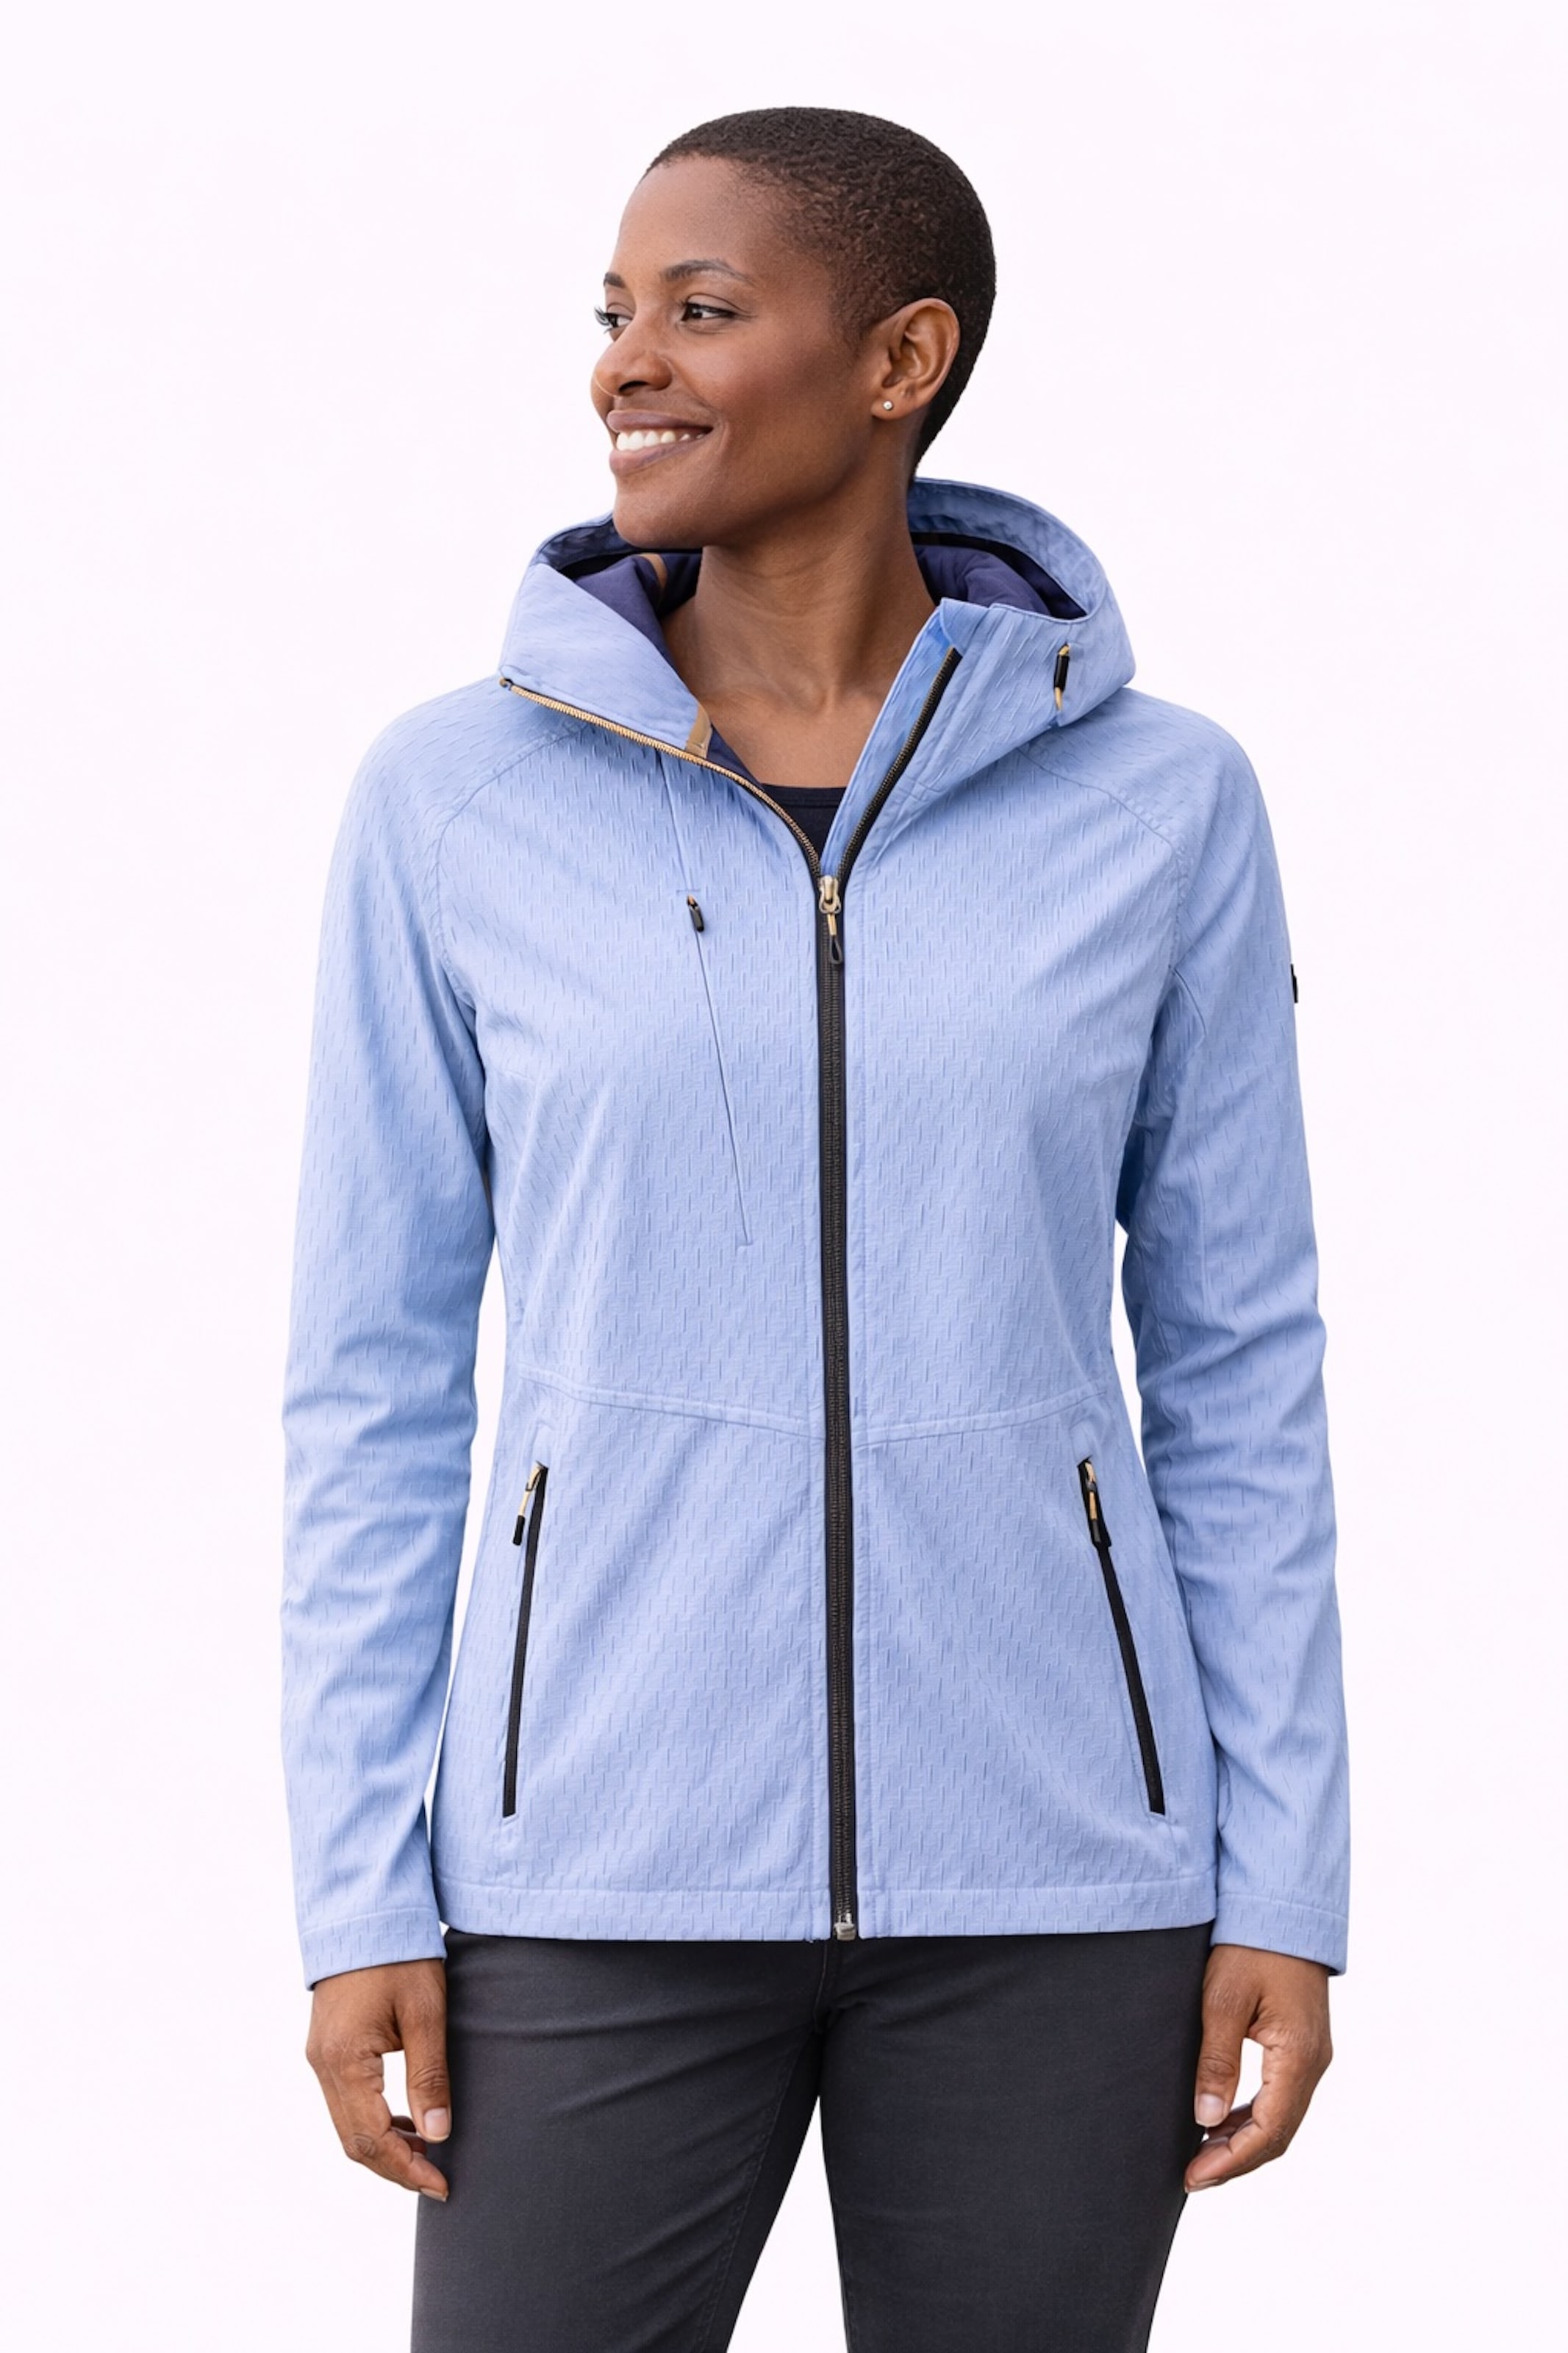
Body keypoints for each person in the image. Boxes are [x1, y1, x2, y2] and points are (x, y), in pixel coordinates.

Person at [282, 106, 1349, 2353]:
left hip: (1060, 1879)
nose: (624, 362)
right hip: (589, 1863)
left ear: (899, 359)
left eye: (701, 307)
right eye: (615, 311)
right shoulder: (454, 800)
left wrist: (1285, 1869)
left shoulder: (1162, 806)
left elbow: (1241, 1366)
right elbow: (369, 1387)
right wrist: (358, 1885)